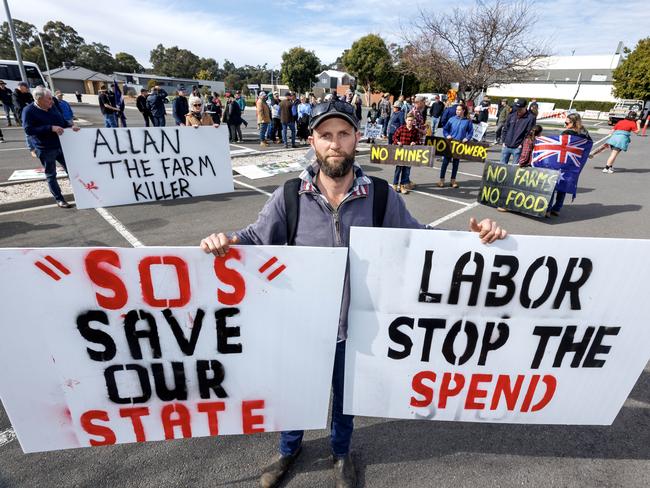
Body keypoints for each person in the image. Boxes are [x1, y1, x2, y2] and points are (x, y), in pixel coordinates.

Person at [199, 100, 507, 488]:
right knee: (296, 393)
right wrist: (223, 240)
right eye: (326, 135)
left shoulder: (380, 195)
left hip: (359, 327)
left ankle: (341, 453)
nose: (335, 143)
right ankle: (288, 448)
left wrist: (476, 240)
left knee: (346, 402)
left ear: (357, 138)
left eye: (343, 134)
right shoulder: (290, 196)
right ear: (312, 141)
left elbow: (422, 239)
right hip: (304, 326)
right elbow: (254, 239)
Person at [22, 86, 80, 208]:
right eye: (49, 99)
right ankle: (59, 199)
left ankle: (81, 194)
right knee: (51, 174)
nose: (52, 102)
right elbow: (28, 130)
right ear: (39, 99)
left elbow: (61, 121)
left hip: (61, 145)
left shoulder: (52, 106)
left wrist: (70, 126)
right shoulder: (28, 111)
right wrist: (50, 128)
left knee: (72, 170)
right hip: (45, 148)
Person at [546, 113, 591, 216]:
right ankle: (557, 208)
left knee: (554, 183)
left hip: (562, 161)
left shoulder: (566, 133)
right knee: (564, 183)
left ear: (573, 123)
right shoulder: (585, 133)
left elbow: (559, 146)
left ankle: (547, 209)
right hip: (573, 163)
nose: (565, 124)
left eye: (566, 123)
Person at [439, 104, 474, 188]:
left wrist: (467, 138)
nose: (457, 111)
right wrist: (447, 135)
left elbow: (470, 132)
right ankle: (441, 180)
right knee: (445, 163)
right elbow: (445, 129)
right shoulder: (451, 119)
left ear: (463, 111)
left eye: (459, 110)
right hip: (450, 144)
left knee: (455, 164)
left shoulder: (468, 121)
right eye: (456, 110)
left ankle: (453, 181)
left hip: (459, 145)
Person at [500, 98, 535, 164]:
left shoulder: (530, 118)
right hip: (506, 145)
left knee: (515, 168)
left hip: (518, 147)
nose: (518, 110)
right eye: (517, 107)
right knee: (502, 165)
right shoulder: (511, 115)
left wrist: (521, 144)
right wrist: (504, 141)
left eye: (520, 108)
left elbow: (528, 133)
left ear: (526, 107)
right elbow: (505, 129)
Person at [392, 113, 421, 194]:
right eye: (408, 120)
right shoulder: (401, 128)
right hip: (401, 152)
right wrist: (397, 142)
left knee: (406, 170)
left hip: (409, 154)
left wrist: (414, 142)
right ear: (406, 120)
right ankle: (395, 185)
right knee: (398, 169)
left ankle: (402, 186)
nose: (410, 122)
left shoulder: (415, 130)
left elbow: (418, 140)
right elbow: (394, 137)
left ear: (413, 121)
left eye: (411, 120)